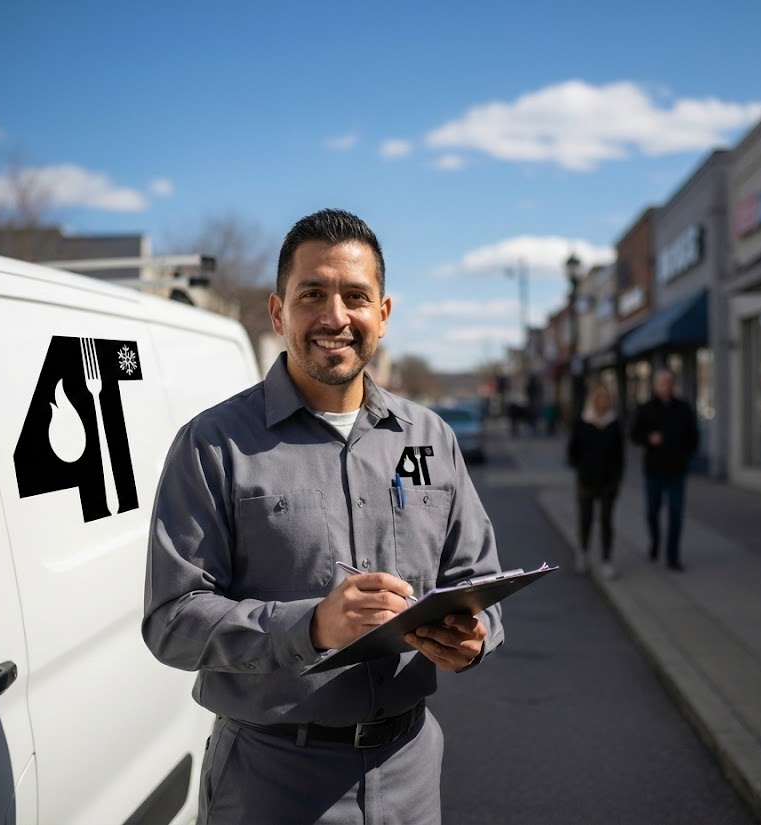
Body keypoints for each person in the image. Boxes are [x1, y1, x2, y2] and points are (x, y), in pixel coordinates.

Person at [142, 208, 504, 824]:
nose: (335, 317)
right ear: (278, 311)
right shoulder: (212, 445)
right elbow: (171, 620)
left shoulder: (430, 437)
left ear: (382, 315)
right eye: (312, 294)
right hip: (270, 780)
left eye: (354, 297)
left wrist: (472, 638)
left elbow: (478, 580)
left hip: (410, 774)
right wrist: (311, 627)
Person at [629, 368, 700, 571]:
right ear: (655, 385)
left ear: (673, 384)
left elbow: (693, 437)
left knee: (676, 514)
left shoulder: (684, 408)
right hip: (654, 468)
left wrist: (686, 456)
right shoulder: (646, 408)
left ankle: (672, 555)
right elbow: (634, 435)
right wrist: (649, 439)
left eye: (669, 382)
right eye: (662, 382)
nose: (665, 386)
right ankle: (655, 541)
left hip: (677, 469)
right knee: (652, 511)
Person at [567, 385, 624, 579]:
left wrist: (616, 479)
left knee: (607, 521)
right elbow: (572, 451)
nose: (603, 402)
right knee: (586, 519)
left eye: (606, 399)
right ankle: (583, 553)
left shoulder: (614, 423)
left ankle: (606, 560)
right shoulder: (583, 422)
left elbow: (620, 455)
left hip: (609, 482)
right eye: (599, 398)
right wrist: (583, 469)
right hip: (587, 481)